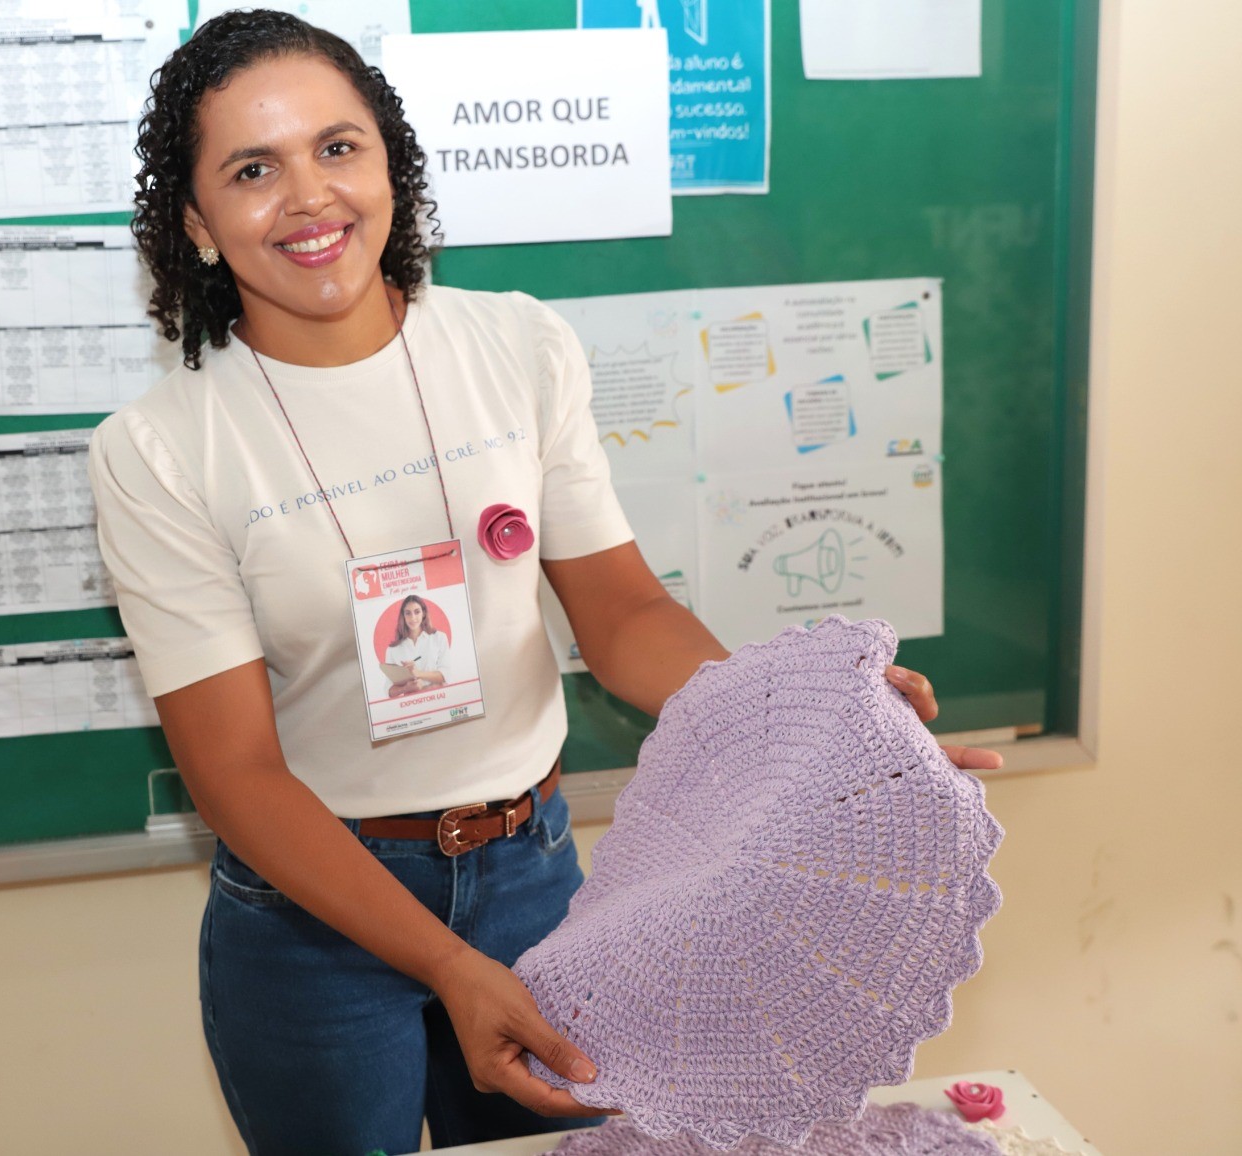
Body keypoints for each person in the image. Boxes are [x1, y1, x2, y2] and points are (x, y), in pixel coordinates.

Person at [89, 12, 999, 1155]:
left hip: (532, 874)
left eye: (338, 148)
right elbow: (235, 774)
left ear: (389, 164)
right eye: (252, 170)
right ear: (198, 225)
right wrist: (446, 965)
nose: (310, 197)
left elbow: (622, 616)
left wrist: (820, 734)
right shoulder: (161, 448)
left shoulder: (515, 348)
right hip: (313, 915)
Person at [385, 594, 449, 695]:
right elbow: (388, 690)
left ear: (423, 613)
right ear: (403, 616)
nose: (413, 617)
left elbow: (446, 675)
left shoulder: (439, 638)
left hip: (437, 698)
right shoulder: (393, 649)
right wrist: (406, 688)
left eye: (417, 612)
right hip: (410, 705)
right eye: (408, 613)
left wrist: (417, 673)